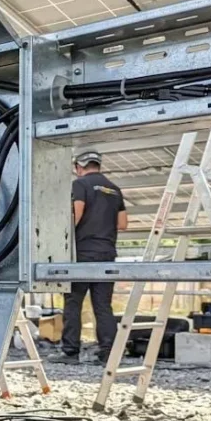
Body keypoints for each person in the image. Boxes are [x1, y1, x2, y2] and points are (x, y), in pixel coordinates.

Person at [60, 150, 128, 364]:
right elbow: (123, 224)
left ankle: (70, 352)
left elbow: (76, 213)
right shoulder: (115, 189)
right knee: (103, 304)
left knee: (73, 302)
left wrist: (64, 235)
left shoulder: (80, 184)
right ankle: (108, 353)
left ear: (79, 167)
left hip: (83, 252)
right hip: (107, 252)